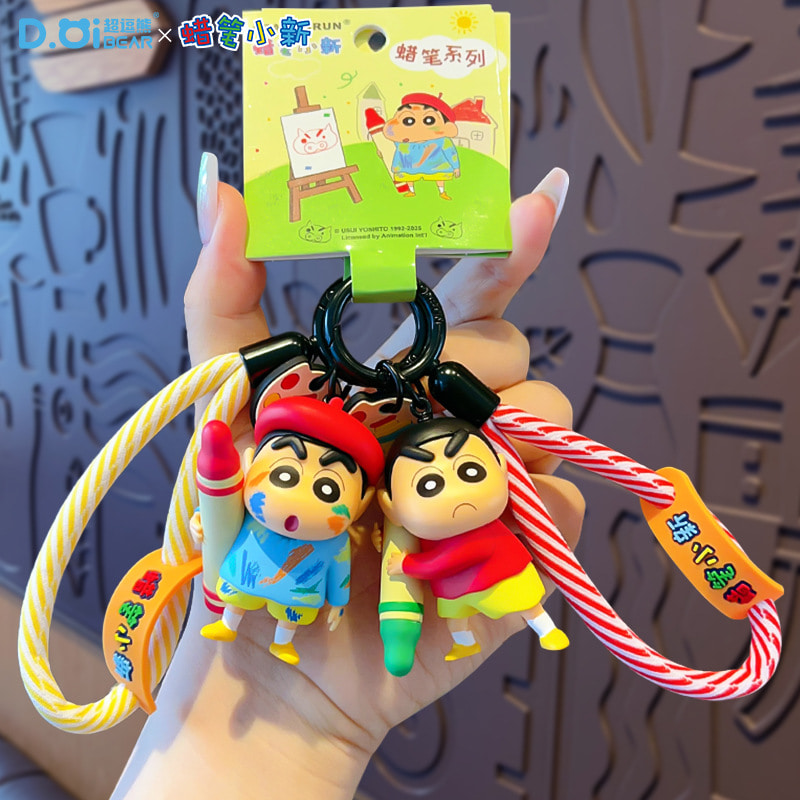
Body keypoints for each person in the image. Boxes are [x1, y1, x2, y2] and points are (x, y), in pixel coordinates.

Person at [110, 156, 582, 799]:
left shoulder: (372, 535)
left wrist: (334, 622)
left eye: (331, 487)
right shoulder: (244, 489)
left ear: (369, 503)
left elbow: (352, 572)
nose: (302, 497)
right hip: (252, 605)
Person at [381, 417, 569, 660]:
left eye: (470, 471)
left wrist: (407, 565)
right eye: (428, 485)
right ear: (391, 508)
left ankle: (548, 632)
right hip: (455, 590)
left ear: (502, 471)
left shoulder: (480, 537)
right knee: (457, 621)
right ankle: (465, 644)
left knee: (526, 605)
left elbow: (444, 561)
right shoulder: (426, 532)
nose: (455, 494)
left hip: (499, 578)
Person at [382, 92, 460, 199]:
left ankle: (442, 192)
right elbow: (391, 147)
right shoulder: (403, 142)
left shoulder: (442, 140)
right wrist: (382, 151)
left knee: (439, 178)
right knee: (409, 177)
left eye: (429, 120)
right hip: (409, 167)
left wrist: (456, 167)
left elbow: (451, 152)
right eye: (408, 120)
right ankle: (411, 191)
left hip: (436, 166)